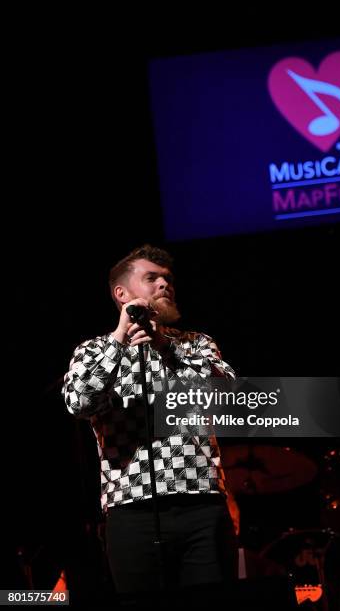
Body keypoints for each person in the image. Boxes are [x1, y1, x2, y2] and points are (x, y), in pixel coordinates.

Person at [63, 244, 238, 604]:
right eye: (152, 278)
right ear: (122, 293)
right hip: (132, 513)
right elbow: (79, 402)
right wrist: (120, 340)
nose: (164, 285)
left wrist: (163, 345)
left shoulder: (196, 343)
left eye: (168, 279)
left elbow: (224, 394)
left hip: (201, 507)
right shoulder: (93, 350)